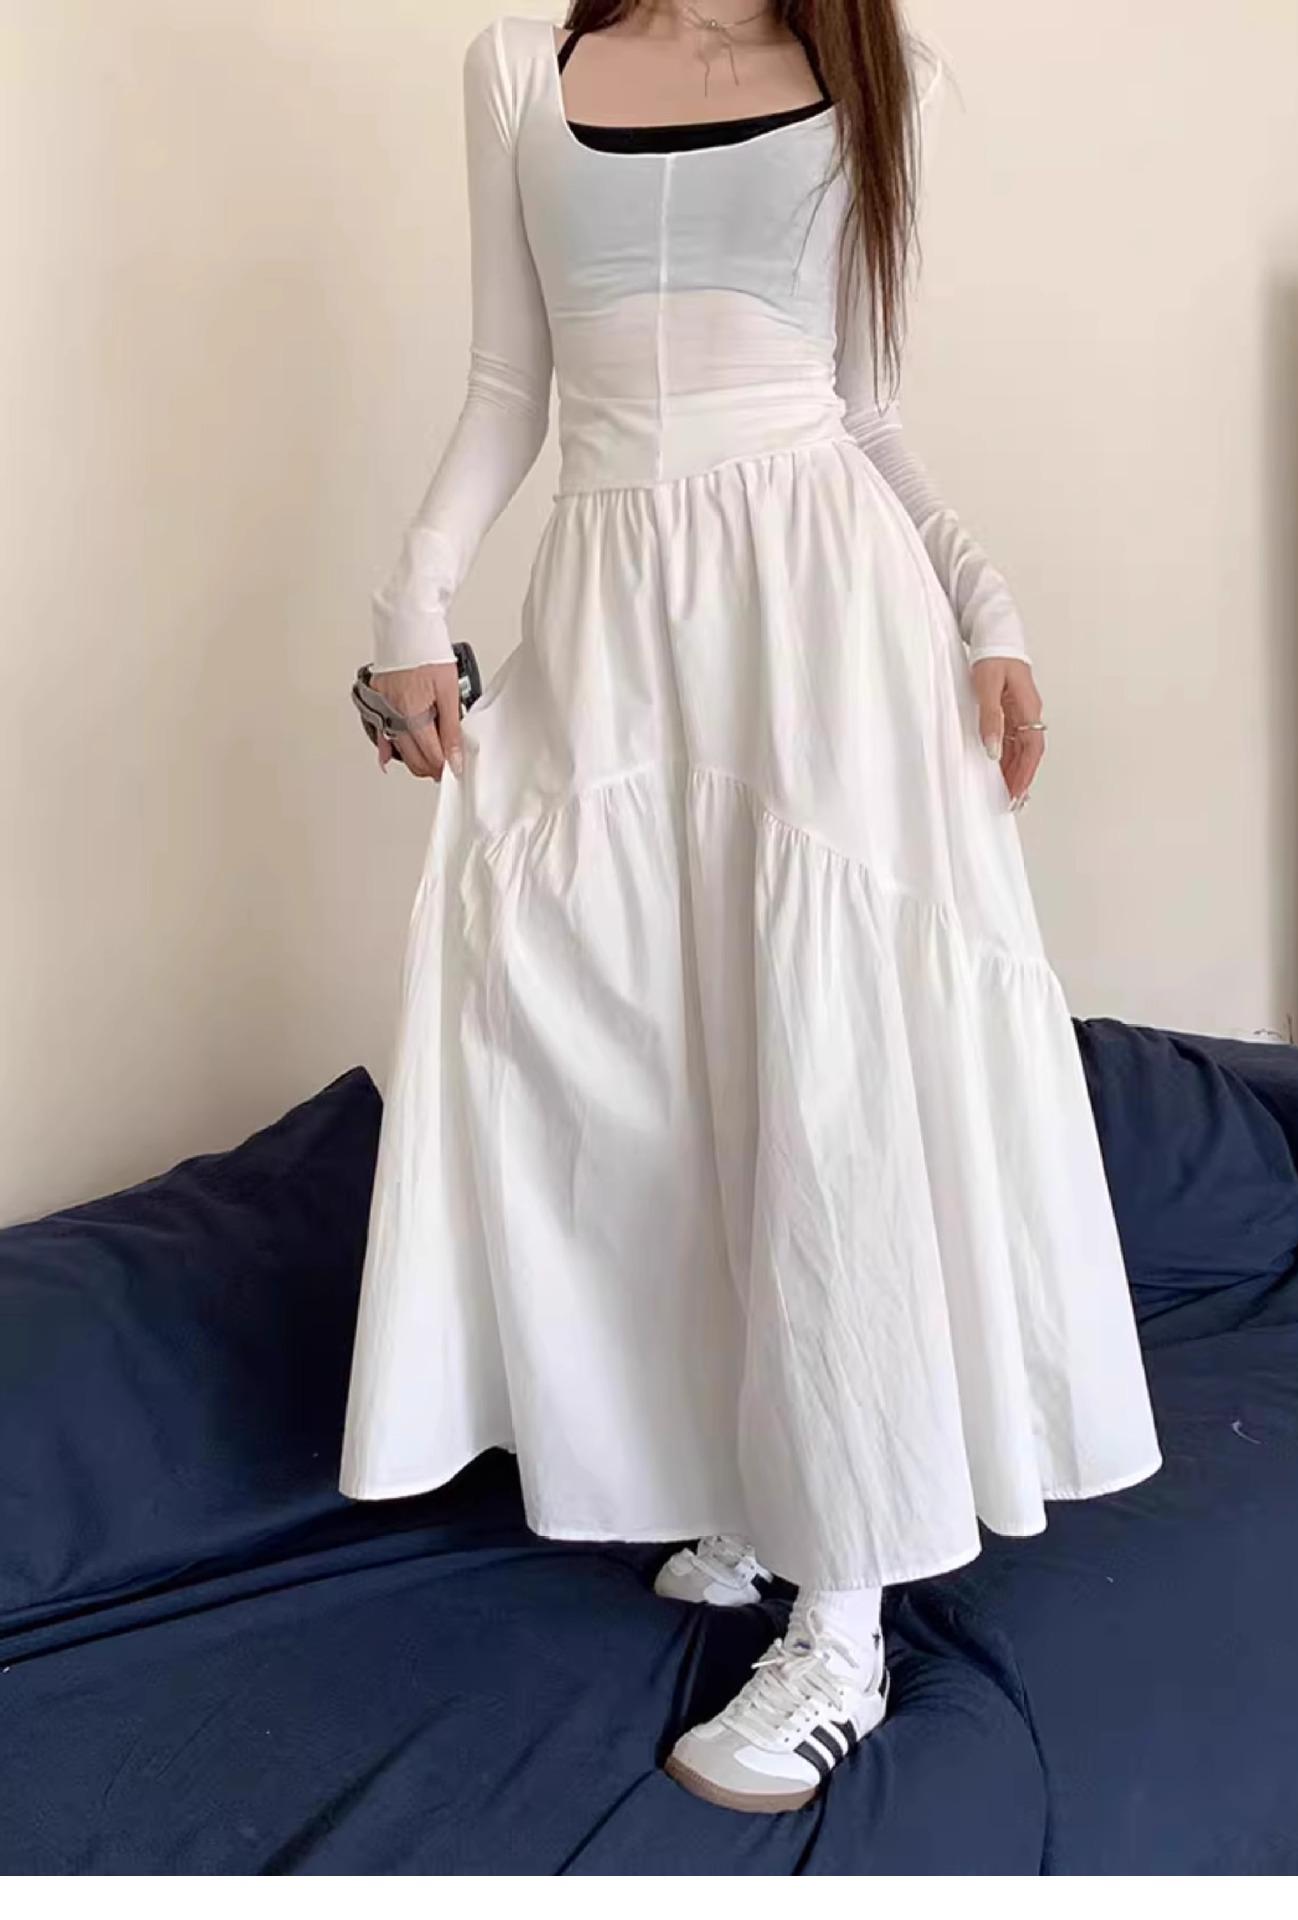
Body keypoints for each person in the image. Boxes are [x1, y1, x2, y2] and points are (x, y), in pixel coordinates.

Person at [338, 1, 1162, 1816]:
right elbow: (508, 387)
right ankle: (743, 1470)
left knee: (829, 1072)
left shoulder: (880, 72)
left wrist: (990, 608)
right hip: (613, 613)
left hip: (825, 624)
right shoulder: (514, 70)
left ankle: (844, 1612)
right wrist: (412, 604)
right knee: (625, 1047)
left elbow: (868, 412)